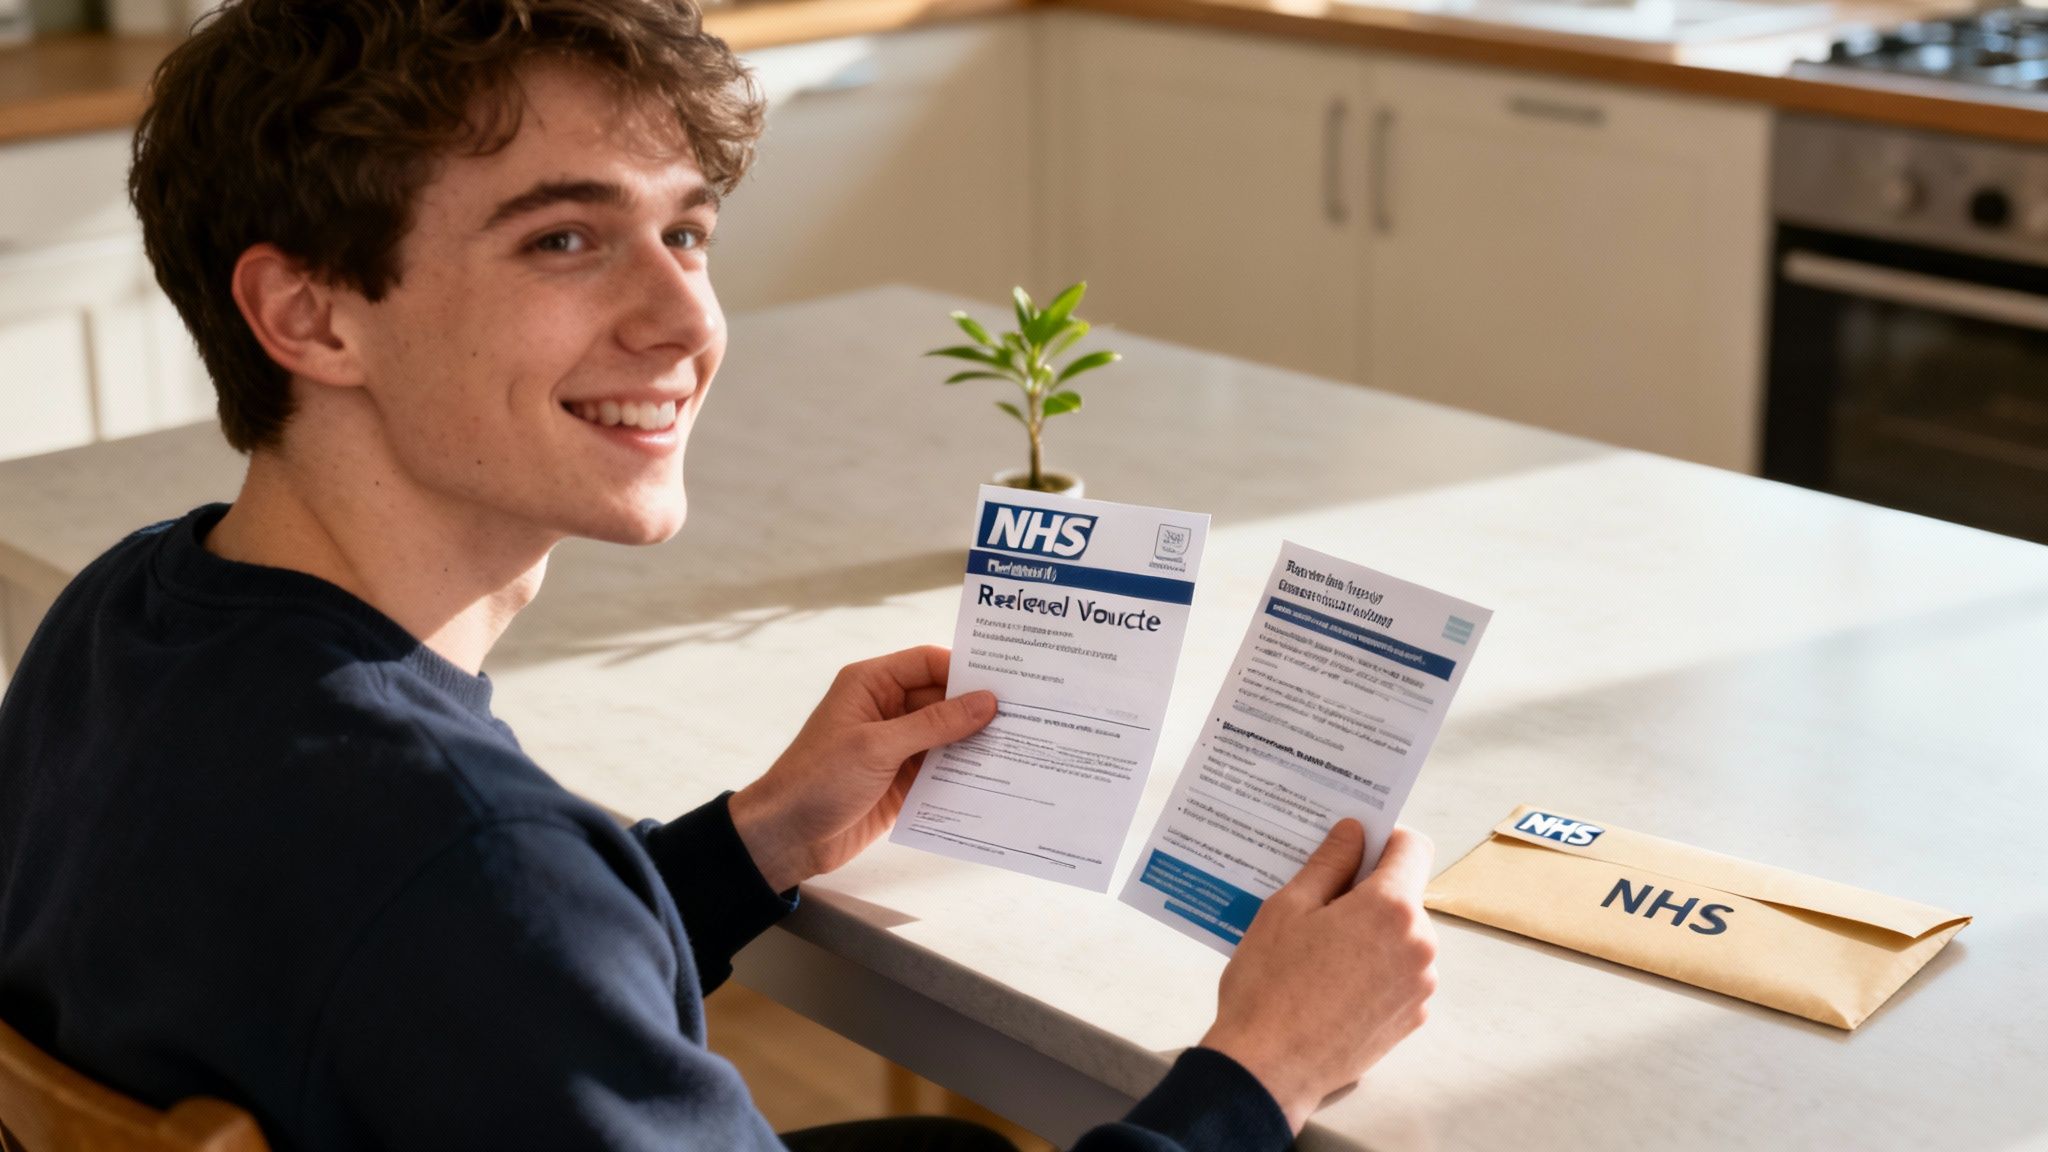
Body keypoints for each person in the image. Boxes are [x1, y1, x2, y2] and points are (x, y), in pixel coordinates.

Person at [0, 1, 1439, 1149]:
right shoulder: (468, 864)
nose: (687, 318)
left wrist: (747, 843)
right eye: (564, 239)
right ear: (307, 314)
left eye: (684, 231)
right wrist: (1261, 1068)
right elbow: (476, 935)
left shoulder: (126, 613)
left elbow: (434, 997)